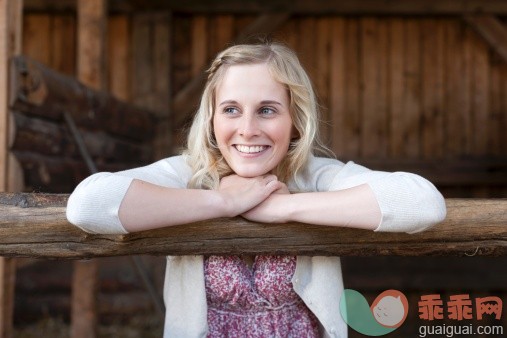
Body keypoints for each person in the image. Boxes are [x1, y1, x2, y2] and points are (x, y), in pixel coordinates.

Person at [66, 42, 446, 338]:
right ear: (212, 118)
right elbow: (88, 204)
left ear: (295, 120)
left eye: (267, 110)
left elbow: (423, 203)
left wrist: (286, 208)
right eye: (231, 109)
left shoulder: (313, 175)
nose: (247, 129)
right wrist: (223, 200)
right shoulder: (187, 173)